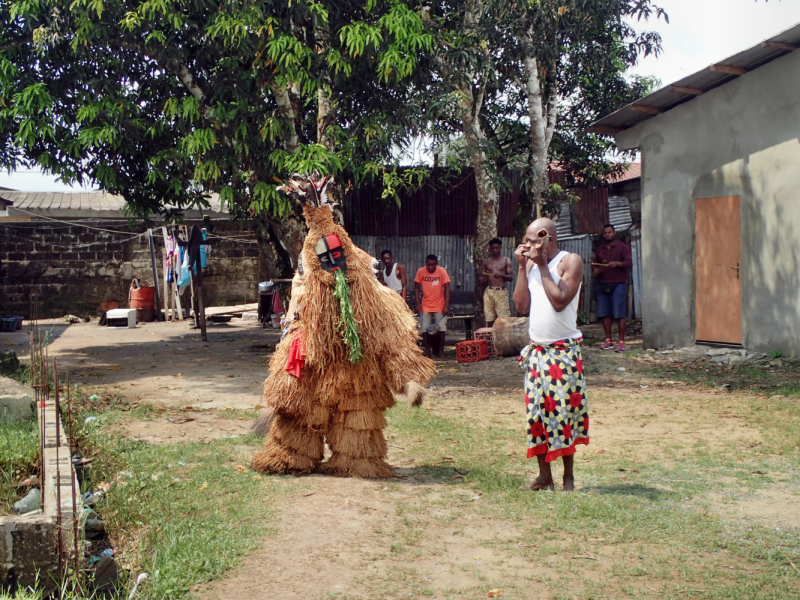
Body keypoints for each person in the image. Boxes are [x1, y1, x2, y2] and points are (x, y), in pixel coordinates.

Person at [513, 218, 589, 492]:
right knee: (536, 416)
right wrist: (523, 267)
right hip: (537, 352)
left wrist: (543, 266)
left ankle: (568, 477)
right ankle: (545, 476)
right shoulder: (531, 265)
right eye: (527, 239)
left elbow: (559, 301)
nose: (528, 245)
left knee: (563, 413)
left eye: (534, 240)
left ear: (548, 238)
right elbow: (521, 306)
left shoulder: (570, 262)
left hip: (563, 352)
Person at [593, 224, 632, 353]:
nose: (607, 235)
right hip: (602, 284)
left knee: (620, 314)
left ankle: (621, 342)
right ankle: (608, 340)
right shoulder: (600, 249)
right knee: (605, 314)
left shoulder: (622, 247)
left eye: (609, 232)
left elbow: (629, 263)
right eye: (605, 233)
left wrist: (617, 264)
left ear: (614, 233)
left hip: (618, 284)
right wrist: (596, 271)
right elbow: (594, 265)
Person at [414, 255, 451, 359]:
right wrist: (417, 304)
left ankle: (440, 352)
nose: (430, 267)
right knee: (424, 329)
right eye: (428, 264)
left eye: (432, 265)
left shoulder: (442, 271)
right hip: (426, 305)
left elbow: (447, 288)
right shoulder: (420, 271)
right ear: (426, 263)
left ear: (436, 264)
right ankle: (427, 352)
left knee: (442, 328)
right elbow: (416, 287)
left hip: (440, 305)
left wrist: (446, 306)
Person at [480, 238, 513, 327]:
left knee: (504, 319)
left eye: (497, 248)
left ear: (500, 248)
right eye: (493, 248)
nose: (495, 250)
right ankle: (491, 340)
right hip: (489, 292)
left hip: (501, 292)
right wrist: (483, 278)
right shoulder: (486, 261)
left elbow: (511, 278)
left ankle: (504, 340)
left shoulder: (506, 260)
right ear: (490, 249)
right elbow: (482, 277)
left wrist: (501, 275)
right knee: (489, 318)